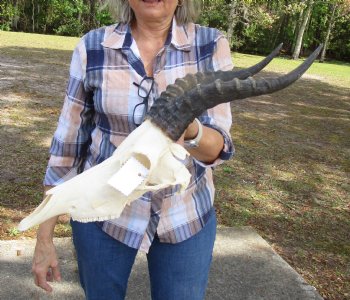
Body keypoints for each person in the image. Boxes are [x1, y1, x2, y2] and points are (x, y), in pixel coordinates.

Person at [31, 0, 234, 299]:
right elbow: (67, 148)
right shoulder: (94, 46)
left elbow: (218, 148)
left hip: (184, 215)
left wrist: (191, 131)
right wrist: (44, 235)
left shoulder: (210, 44)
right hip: (104, 215)